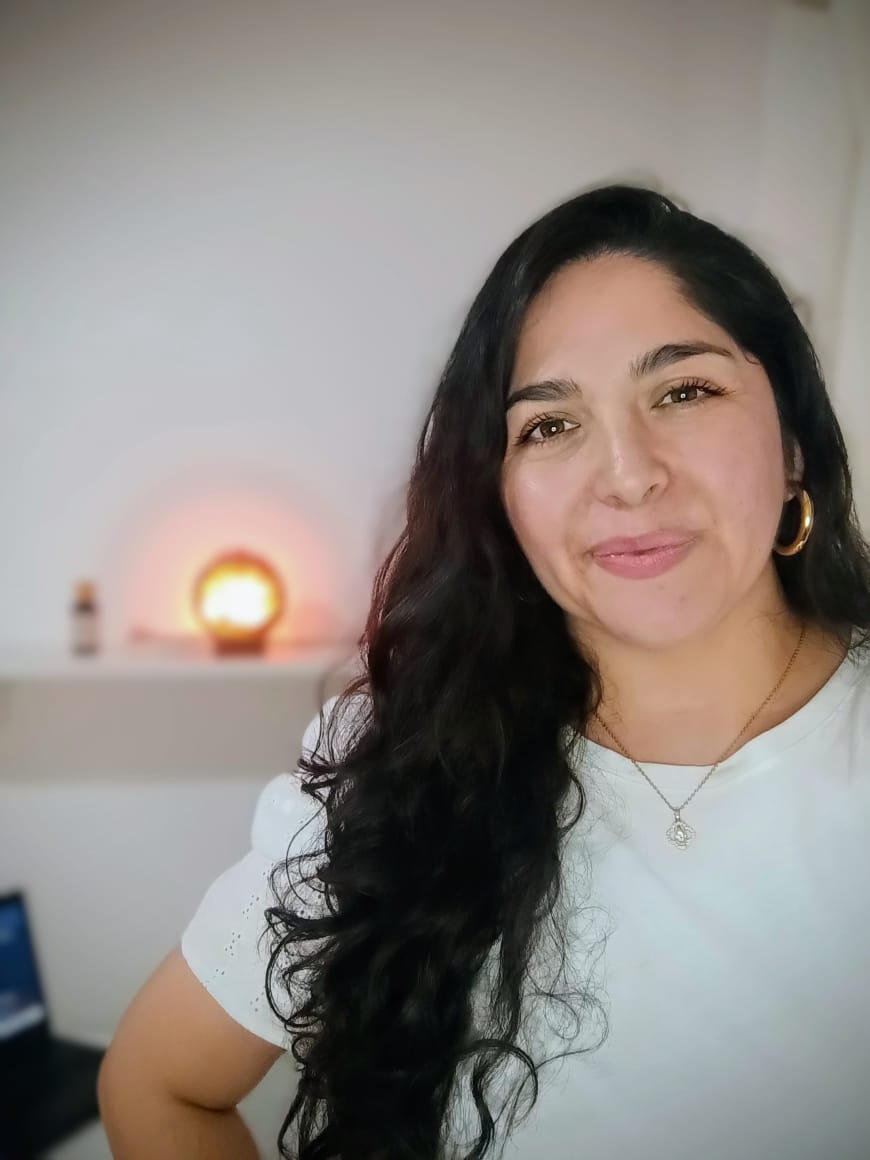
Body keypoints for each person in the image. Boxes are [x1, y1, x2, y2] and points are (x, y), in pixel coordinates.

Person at [97, 183, 870, 1160]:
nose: (629, 474)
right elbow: (159, 1085)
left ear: (793, 442)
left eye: (684, 392)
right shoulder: (399, 767)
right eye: (549, 425)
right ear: (497, 494)